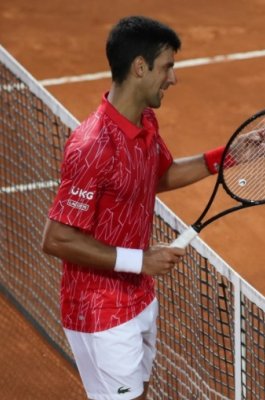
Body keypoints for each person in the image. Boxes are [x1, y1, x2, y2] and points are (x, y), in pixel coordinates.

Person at [41, 16, 236, 400]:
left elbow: (158, 175)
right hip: (99, 310)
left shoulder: (145, 121)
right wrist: (140, 261)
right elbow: (57, 239)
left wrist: (229, 157)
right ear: (140, 67)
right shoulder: (92, 147)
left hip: (139, 297)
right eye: (167, 67)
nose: (173, 78)